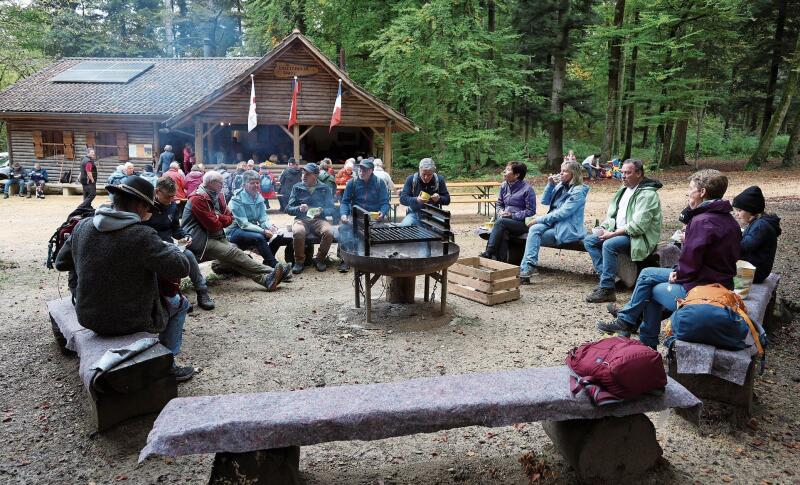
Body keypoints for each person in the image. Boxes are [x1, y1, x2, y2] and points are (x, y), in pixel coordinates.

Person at [54, 175, 194, 381]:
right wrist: (169, 248)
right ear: (139, 205)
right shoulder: (142, 236)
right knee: (180, 304)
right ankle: (167, 364)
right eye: (149, 208)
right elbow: (182, 268)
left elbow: (61, 263)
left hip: (88, 315)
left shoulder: (83, 225)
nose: (149, 213)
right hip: (131, 320)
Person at [597, 169, 740, 349]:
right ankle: (629, 323)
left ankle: (639, 334)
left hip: (702, 286)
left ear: (702, 192)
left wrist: (678, 274)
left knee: (649, 284)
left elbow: (692, 260)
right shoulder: (728, 219)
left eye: (690, 189)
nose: (688, 193)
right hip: (720, 282)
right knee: (648, 276)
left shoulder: (702, 221)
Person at [181, 171, 285, 291]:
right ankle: (272, 271)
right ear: (211, 183)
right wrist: (220, 218)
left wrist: (218, 217)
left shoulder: (218, 195)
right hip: (200, 239)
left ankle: (266, 280)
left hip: (216, 236)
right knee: (235, 253)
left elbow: (230, 218)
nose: (223, 185)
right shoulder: (198, 199)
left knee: (233, 258)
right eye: (221, 183)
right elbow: (213, 225)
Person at [583, 159, 663, 303]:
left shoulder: (648, 194)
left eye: (628, 173)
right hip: (620, 232)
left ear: (639, 173)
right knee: (590, 240)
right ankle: (609, 278)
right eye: (622, 172)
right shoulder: (624, 190)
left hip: (639, 237)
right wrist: (604, 227)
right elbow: (613, 216)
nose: (623, 176)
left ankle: (607, 290)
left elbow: (638, 226)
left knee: (609, 244)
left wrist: (612, 234)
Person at [144, 176, 215, 311]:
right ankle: (174, 296)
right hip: (152, 246)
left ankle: (202, 291)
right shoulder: (145, 206)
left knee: (188, 255)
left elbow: (176, 228)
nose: (172, 200)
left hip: (169, 246)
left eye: (173, 196)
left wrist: (185, 236)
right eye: (168, 197)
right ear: (157, 191)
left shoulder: (171, 206)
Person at [520, 160, 589, 279]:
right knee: (534, 229)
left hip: (566, 227)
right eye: (561, 171)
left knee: (534, 230)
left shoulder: (578, 191)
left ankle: (527, 268)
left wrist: (539, 219)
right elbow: (545, 201)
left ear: (574, 174)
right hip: (553, 223)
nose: (561, 174)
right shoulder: (560, 186)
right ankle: (528, 267)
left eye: (565, 171)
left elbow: (563, 213)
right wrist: (550, 184)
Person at [225, 170, 291, 275]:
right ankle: (274, 265)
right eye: (252, 183)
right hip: (234, 231)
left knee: (278, 235)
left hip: (251, 229)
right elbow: (244, 224)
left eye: (257, 182)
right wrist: (263, 231)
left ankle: (268, 262)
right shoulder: (236, 199)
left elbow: (263, 219)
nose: (256, 185)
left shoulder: (258, 197)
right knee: (259, 237)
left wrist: (270, 227)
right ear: (244, 185)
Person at [338, 159, 391, 272]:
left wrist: (382, 212)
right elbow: (345, 202)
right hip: (356, 216)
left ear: (371, 170)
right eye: (360, 169)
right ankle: (345, 259)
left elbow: (385, 203)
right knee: (344, 228)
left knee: (382, 230)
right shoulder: (353, 183)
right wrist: (344, 214)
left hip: (374, 217)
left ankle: (377, 258)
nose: (361, 171)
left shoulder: (379, 183)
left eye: (365, 169)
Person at [479, 161, 536, 261]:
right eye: (506, 169)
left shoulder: (527, 189)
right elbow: (499, 204)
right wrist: (500, 212)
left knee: (500, 223)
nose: (504, 171)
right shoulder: (504, 185)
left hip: (522, 224)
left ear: (517, 175)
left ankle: (489, 252)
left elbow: (531, 211)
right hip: (504, 221)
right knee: (503, 230)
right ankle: (502, 262)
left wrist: (512, 215)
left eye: (508, 170)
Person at [286, 163, 337, 273]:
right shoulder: (297, 187)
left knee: (329, 232)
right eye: (303, 173)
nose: (304, 175)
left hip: (319, 220)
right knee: (298, 231)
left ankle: (319, 259)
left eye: (307, 173)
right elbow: (288, 208)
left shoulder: (325, 188)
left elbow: (331, 209)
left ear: (316, 175)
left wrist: (322, 210)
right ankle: (299, 262)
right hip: (301, 219)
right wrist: (299, 208)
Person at [732, 186, 781, 284]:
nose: (736, 214)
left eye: (739, 210)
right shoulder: (758, 223)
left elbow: (742, 248)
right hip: (755, 270)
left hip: (754, 273)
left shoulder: (760, 226)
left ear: (751, 210)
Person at [399, 157, 450, 226]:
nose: (426, 177)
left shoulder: (439, 179)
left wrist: (439, 199)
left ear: (433, 171)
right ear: (419, 170)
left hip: (434, 214)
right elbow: (403, 199)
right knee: (404, 227)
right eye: (424, 174)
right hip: (414, 214)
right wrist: (416, 200)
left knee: (443, 227)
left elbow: (447, 199)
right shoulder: (411, 179)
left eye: (429, 175)